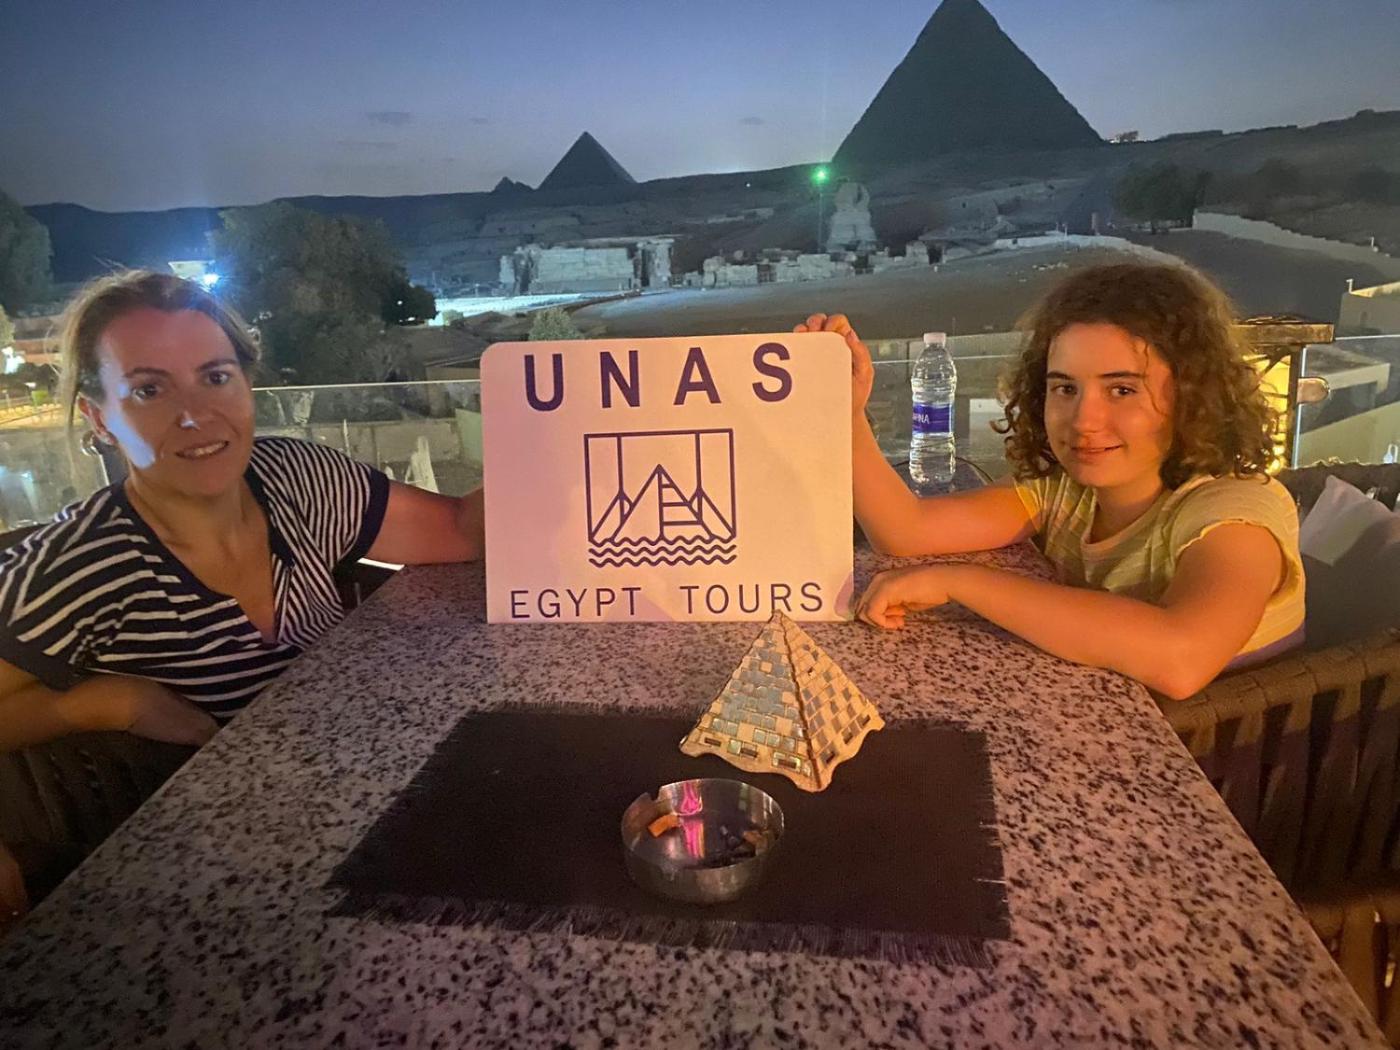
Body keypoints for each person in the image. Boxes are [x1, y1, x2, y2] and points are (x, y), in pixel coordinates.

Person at [0, 271, 484, 927]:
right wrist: (94, 704)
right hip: (211, 891)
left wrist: (584, 449)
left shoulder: (296, 480)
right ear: (100, 419)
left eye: (216, 376)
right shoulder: (83, 562)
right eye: (148, 390)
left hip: (365, 813)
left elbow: (460, 529)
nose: (196, 414)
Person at [796, 261, 1303, 701]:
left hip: (1220, 752)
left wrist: (959, 581)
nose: (1084, 420)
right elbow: (906, 530)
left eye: (1122, 390)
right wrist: (846, 411)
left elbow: (1182, 658)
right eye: (1065, 388)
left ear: (1192, 395)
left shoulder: (1235, 513)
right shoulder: (1068, 490)